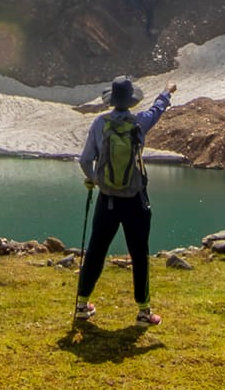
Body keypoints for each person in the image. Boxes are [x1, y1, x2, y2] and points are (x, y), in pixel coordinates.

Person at [74, 76, 177, 328]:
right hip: (135, 199)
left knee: (96, 250)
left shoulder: (100, 123)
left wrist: (95, 180)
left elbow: (85, 159)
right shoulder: (138, 122)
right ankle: (143, 312)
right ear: (131, 100)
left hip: (107, 199)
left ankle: (81, 306)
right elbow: (157, 109)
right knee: (139, 252)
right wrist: (167, 92)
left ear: (111, 99)